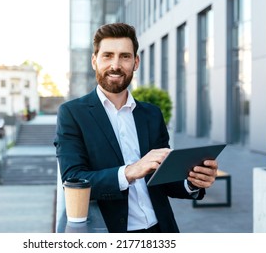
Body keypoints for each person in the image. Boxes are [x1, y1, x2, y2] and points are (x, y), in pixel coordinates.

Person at [54, 22, 218, 233]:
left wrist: (194, 181)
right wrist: (131, 171)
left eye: (125, 56)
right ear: (94, 61)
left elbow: (163, 180)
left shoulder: (151, 114)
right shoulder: (72, 113)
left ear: (136, 62)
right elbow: (73, 180)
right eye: (107, 56)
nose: (116, 64)